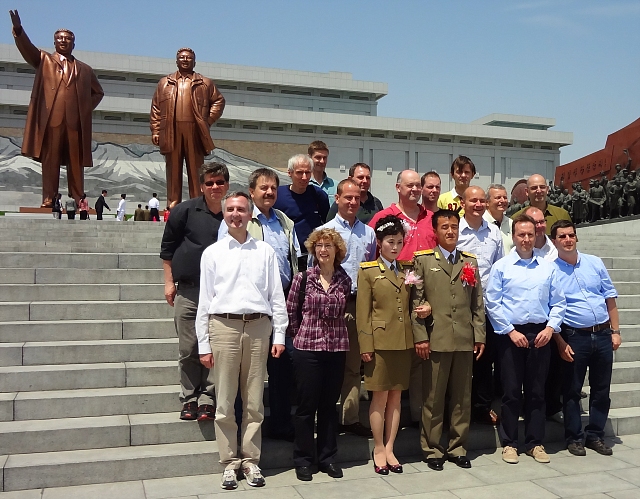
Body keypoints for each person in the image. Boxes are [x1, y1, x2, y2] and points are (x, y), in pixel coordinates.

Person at [196, 191, 287, 490]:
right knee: (224, 400)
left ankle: (250, 460)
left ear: (250, 215)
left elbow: (276, 296)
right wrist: (204, 343)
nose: (236, 214)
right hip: (224, 326)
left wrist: (280, 334)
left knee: (254, 400)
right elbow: (204, 302)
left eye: (242, 209)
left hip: (259, 328)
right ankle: (228, 462)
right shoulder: (212, 253)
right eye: (231, 209)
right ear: (224, 213)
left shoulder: (265, 252)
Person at [218, 167, 300, 441]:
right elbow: (224, 261)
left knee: (282, 364)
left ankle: (280, 422)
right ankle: (242, 427)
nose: (269, 192)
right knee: (245, 371)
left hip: (281, 303)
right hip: (249, 308)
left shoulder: (285, 221)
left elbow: (295, 261)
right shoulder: (238, 220)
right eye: (263, 188)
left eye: (273, 188)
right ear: (251, 192)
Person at [486, 214, 566, 465]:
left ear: (536, 236)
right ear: (513, 236)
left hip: (541, 334)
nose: (526, 239)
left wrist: (551, 329)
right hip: (511, 335)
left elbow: (559, 302)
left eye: (530, 234)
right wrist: (510, 331)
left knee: (536, 391)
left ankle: (535, 442)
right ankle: (510, 443)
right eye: (521, 234)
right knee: (511, 392)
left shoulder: (547, 266)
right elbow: (492, 303)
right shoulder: (502, 267)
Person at [411, 209, 485, 471]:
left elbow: (477, 301)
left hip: (464, 339)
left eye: (454, 226)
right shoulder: (422, 261)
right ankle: (432, 448)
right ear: (436, 231)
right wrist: (420, 337)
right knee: (433, 397)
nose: (450, 231)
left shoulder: (469, 262)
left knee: (462, 398)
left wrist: (479, 335)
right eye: (445, 227)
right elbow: (415, 301)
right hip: (435, 338)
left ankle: (457, 447)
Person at [9, 10, 104, 207]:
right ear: (54, 42)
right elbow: (28, 50)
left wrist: (84, 110)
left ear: (73, 43)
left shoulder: (85, 69)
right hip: (51, 120)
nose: (63, 41)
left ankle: (79, 197)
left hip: (75, 123)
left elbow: (98, 93)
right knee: (50, 161)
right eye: (59, 38)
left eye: (67, 39)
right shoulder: (44, 60)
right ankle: (49, 198)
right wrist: (18, 30)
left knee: (76, 162)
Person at [160, 162, 229, 422]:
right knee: (189, 347)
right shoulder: (184, 211)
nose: (215, 187)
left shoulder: (231, 213)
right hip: (189, 291)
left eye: (219, 182)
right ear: (201, 186)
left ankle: (208, 398)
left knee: (214, 347)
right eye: (209, 182)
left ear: (227, 185)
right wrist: (169, 283)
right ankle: (189, 398)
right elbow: (167, 250)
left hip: (221, 294)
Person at [369, 169, 438, 425]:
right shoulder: (383, 217)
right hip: (393, 287)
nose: (415, 190)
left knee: (422, 353)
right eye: (409, 185)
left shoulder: (431, 218)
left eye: (418, 185)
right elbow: (370, 255)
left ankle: (420, 418)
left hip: (424, 291)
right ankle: (387, 417)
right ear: (398, 187)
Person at [551, 220, 621, 456]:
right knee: (571, 390)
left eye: (571, 235)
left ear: (576, 237)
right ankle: (574, 437)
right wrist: (560, 342)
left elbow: (609, 297)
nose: (568, 240)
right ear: (554, 241)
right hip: (574, 336)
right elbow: (551, 309)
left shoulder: (595, 262)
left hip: (602, 334)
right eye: (562, 237)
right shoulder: (551, 270)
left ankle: (595, 435)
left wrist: (616, 331)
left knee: (601, 389)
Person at [313, 179, 377, 437]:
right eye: (347, 197)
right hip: (328, 304)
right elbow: (312, 270)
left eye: (356, 198)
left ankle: (349, 419)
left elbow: (372, 267)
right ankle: (323, 417)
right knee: (327, 364)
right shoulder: (324, 232)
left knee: (352, 366)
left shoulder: (369, 233)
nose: (352, 202)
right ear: (337, 199)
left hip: (356, 304)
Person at [286, 228, 351, 482]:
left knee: (328, 406)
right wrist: (299, 335)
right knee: (306, 407)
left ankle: (327, 457)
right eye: (319, 246)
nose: (323, 250)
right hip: (308, 349)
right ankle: (303, 459)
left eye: (328, 246)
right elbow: (292, 313)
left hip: (336, 348)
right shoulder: (303, 278)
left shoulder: (344, 280)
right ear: (313, 250)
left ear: (337, 251)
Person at [357, 216, 414, 475]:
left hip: (403, 342)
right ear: (379, 243)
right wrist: (365, 344)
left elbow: (414, 301)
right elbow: (363, 312)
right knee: (379, 399)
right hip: (379, 343)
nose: (395, 247)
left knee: (396, 398)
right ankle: (378, 447)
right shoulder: (368, 271)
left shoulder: (407, 270)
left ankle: (391, 447)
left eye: (399, 242)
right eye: (390, 242)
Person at [150, 48, 225, 208]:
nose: (185, 60)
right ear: (176, 61)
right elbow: (156, 108)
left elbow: (219, 101)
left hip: (195, 131)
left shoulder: (204, 83)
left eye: (189, 58)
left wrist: (207, 120)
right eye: (182, 57)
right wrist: (156, 130)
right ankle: (173, 203)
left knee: (196, 168)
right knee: (173, 168)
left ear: (194, 62)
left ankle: (197, 202)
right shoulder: (165, 83)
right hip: (171, 130)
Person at [456, 186, 504, 426]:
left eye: (481, 201)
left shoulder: (494, 233)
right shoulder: (455, 231)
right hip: (457, 306)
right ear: (462, 203)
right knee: (459, 361)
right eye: (472, 200)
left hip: (485, 308)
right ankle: (456, 408)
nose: (478, 204)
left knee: (484, 360)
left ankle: (481, 407)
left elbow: (499, 270)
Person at [273, 154, 330, 269]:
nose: (304, 177)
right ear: (290, 173)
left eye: (308, 173)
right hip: (287, 257)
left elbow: (327, 223)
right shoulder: (278, 195)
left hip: (313, 258)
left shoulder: (318, 195)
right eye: (299, 173)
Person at [484, 184, 513, 254]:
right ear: (487, 202)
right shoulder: (480, 222)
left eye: (505, 197)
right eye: (498, 197)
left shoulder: (511, 224)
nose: (502, 200)